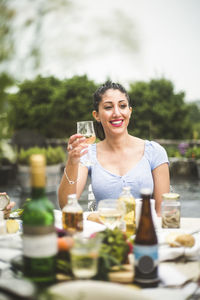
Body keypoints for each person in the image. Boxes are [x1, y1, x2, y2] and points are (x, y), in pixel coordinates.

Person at [58, 81, 170, 216]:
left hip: (145, 233)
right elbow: (66, 205)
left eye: (122, 106)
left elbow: (161, 213)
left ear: (129, 111)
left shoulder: (154, 152)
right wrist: (72, 162)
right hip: (107, 234)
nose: (117, 113)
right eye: (108, 107)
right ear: (96, 115)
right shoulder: (88, 154)